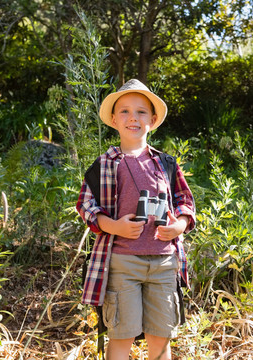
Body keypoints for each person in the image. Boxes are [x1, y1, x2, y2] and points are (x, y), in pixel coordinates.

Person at [76, 79, 195, 360]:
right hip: (122, 262)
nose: (133, 118)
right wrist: (113, 226)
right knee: (121, 333)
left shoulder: (166, 164)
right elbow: (85, 205)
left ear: (152, 121)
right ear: (114, 119)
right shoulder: (104, 164)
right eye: (126, 111)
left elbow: (185, 201)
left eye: (141, 112)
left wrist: (178, 225)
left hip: (164, 263)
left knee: (161, 336)